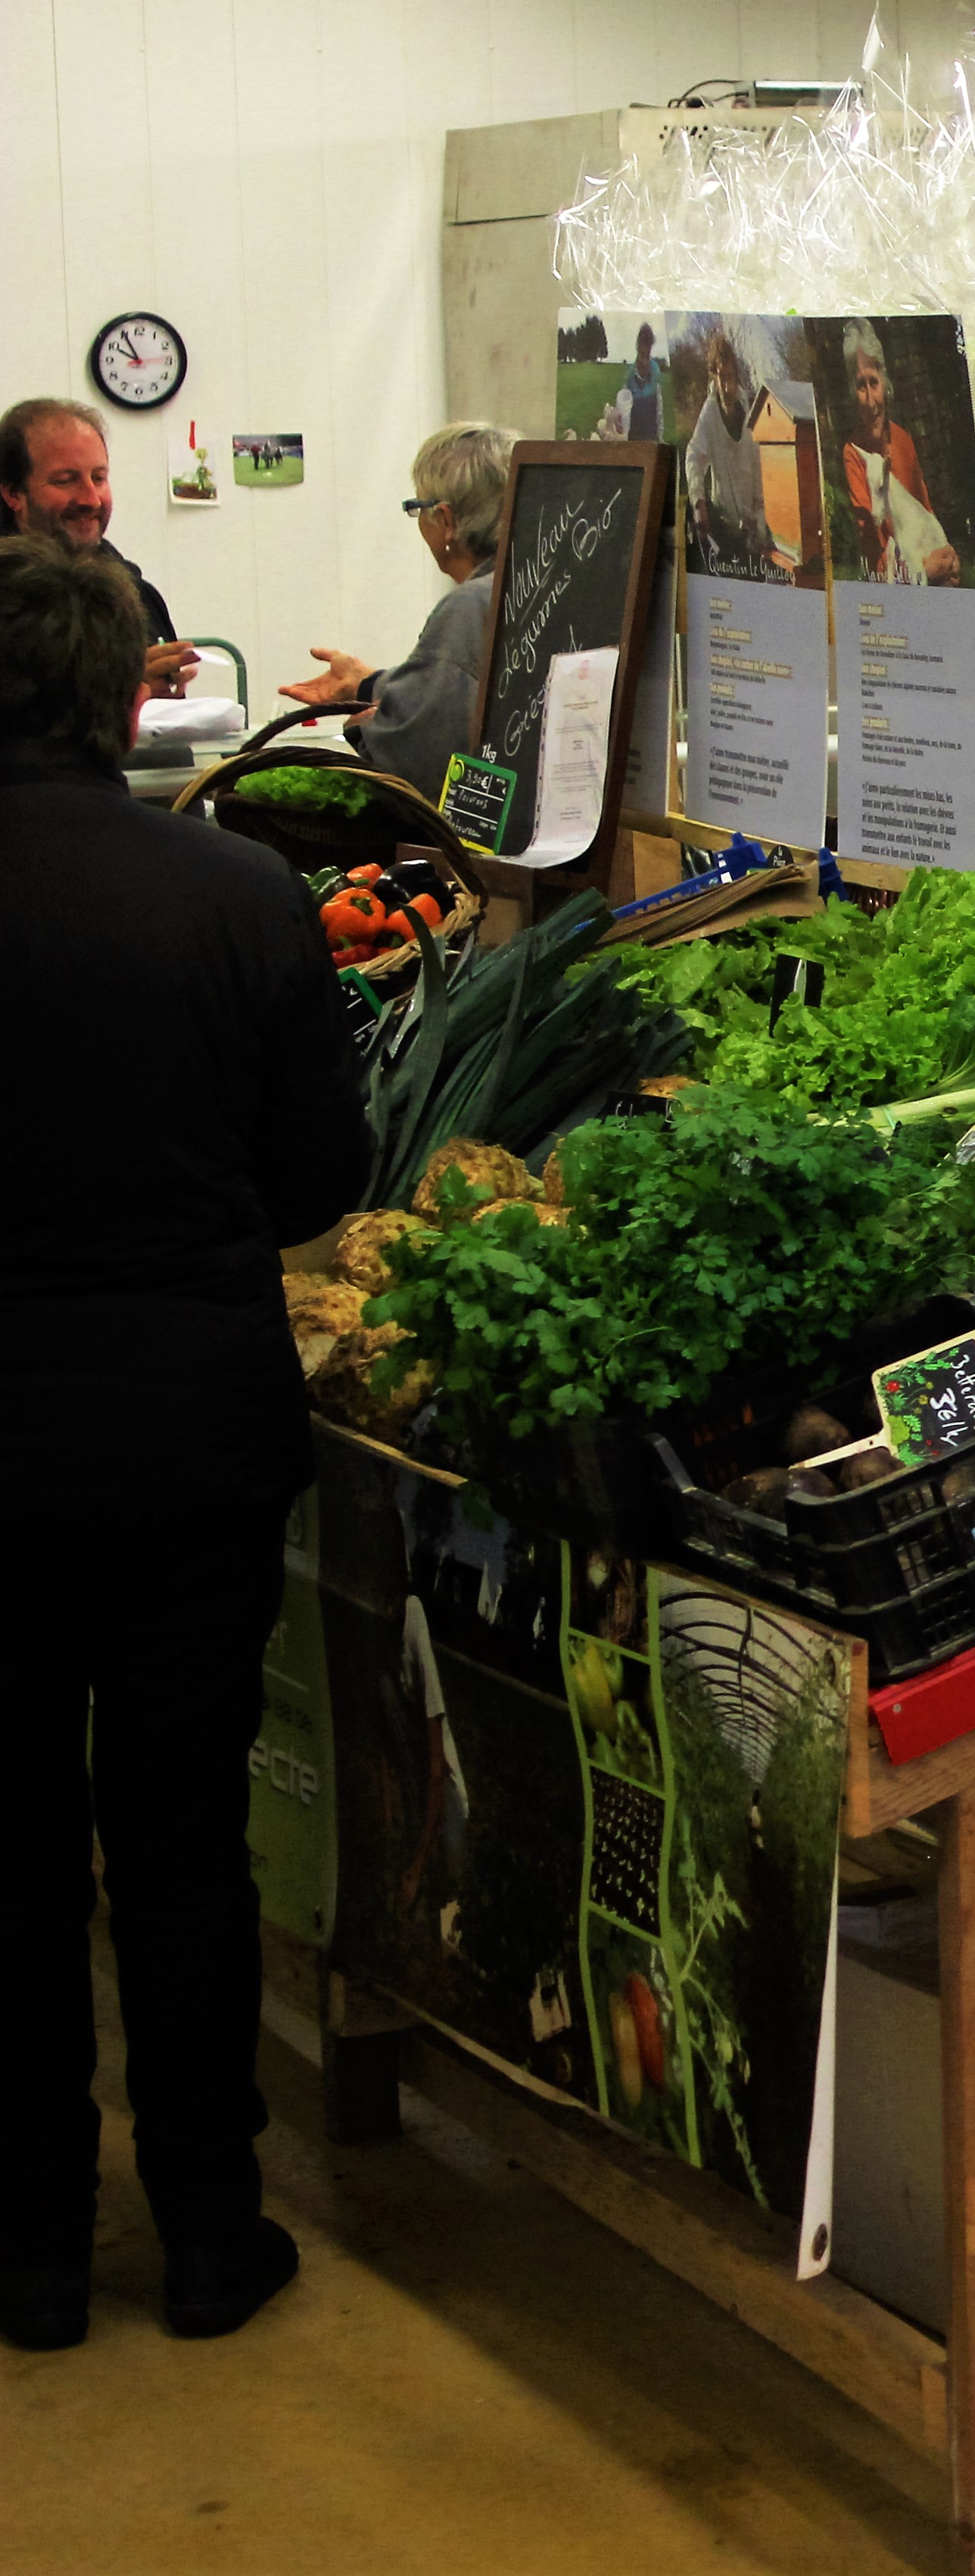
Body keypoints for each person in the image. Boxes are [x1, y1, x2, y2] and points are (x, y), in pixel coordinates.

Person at [0, 534, 370, 2352]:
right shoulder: (236, 897)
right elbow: (321, 1181)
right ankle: (213, 2230)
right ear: (117, 695)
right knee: (179, 1833)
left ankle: (35, 2249)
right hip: (188, 1434)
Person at [275, 422, 512, 792]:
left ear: (445, 521)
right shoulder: (529, 584)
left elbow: (418, 755)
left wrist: (362, 728)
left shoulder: (470, 606)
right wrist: (366, 683)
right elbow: (448, 687)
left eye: (417, 507)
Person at [1, 397, 195, 694]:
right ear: (14, 494)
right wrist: (122, 693)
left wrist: (167, 694)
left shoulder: (135, 594)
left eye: (99, 478)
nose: (91, 499)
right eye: (65, 481)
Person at [833, 334, 957, 589]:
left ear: (885, 384)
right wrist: (924, 571)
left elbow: (926, 510)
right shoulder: (854, 456)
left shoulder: (902, 439)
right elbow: (874, 553)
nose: (870, 400)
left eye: (874, 383)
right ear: (851, 393)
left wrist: (948, 557)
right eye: (860, 386)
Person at [681, 325, 782, 581]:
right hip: (723, 528)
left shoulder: (750, 412)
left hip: (751, 530)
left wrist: (759, 517)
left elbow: (760, 467)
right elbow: (694, 456)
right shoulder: (709, 415)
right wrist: (699, 503)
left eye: (730, 377)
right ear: (714, 378)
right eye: (721, 378)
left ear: (737, 375)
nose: (727, 386)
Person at [609, 322, 663, 443]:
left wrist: (660, 439)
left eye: (648, 355)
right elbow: (621, 406)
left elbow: (659, 410)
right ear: (638, 348)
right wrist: (618, 419)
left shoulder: (656, 372)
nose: (645, 361)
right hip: (634, 438)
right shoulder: (630, 376)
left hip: (651, 437)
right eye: (642, 355)